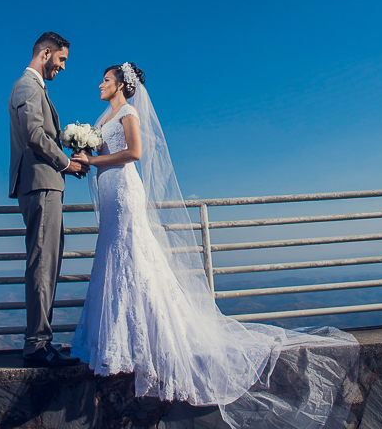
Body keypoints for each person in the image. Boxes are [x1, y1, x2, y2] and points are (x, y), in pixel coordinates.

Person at [70, 63, 359, 427]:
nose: (101, 83)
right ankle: (116, 343)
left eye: (107, 80)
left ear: (122, 86)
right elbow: (102, 154)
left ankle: (148, 342)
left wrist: (93, 158)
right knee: (114, 260)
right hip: (110, 190)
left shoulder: (128, 112)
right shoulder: (103, 118)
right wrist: (82, 159)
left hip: (125, 191)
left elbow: (136, 153)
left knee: (133, 259)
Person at [9, 31, 89, 368]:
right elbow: (34, 134)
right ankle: (37, 345)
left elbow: (44, 135)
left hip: (45, 185)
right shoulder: (27, 86)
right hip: (41, 186)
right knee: (43, 263)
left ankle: (42, 340)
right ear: (45, 53)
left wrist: (72, 150)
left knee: (48, 262)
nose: (63, 66)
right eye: (61, 59)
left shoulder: (35, 89)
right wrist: (66, 162)